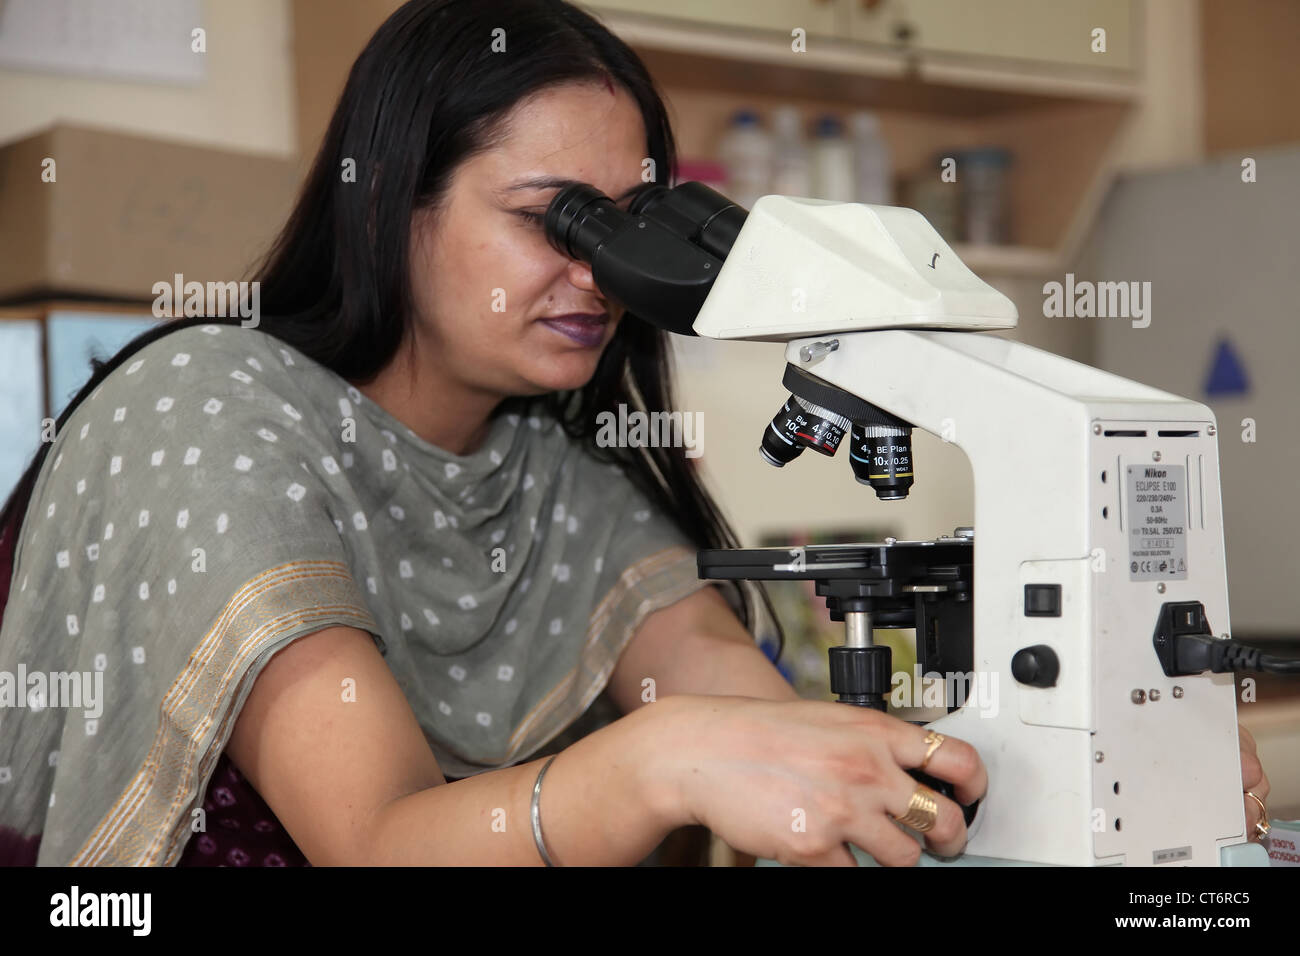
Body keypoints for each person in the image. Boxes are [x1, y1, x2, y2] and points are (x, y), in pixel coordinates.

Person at [0, 0, 1268, 868]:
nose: (598, 274)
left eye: (627, 223)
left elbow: (748, 706)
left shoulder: (551, 466)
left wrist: (1082, 775)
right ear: (394, 206)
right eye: (556, 218)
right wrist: (655, 761)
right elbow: (378, 838)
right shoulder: (214, 407)